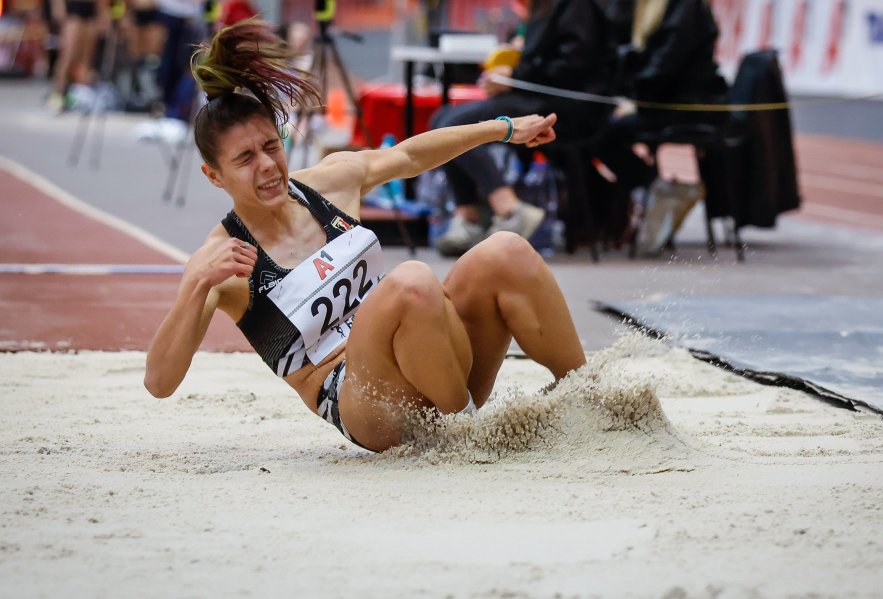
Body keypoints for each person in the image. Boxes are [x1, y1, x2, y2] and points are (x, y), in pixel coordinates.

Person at [143, 20, 587, 454]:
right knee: (410, 281)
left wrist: (504, 129)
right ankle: (468, 434)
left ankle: (588, 396)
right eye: (244, 159)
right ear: (214, 176)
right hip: (366, 403)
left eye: (270, 146)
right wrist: (195, 287)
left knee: (504, 250)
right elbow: (159, 383)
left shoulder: (327, 183)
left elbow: (409, 154)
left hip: (435, 360)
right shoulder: (223, 259)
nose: (265, 166)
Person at [429, 0, 617, 257]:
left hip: (564, 106)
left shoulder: (576, 6)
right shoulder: (543, 7)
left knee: (454, 125)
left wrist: (515, 75)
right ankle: (469, 215)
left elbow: (572, 68)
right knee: (441, 118)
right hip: (534, 95)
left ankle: (509, 209)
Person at [596, 0, 728, 253]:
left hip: (688, 107)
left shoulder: (686, 8)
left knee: (603, 133)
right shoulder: (651, 8)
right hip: (665, 100)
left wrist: (634, 100)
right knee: (602, 127)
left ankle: (655, 188)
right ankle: (653, 190)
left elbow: (665, 66)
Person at [48, 0, 108, 111]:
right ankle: (58, 93)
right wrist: (58, 7)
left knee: (86, 58)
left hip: (91, 10)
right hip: (74, 9)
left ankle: (79, 95)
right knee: (68, 55)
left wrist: (103, 15)